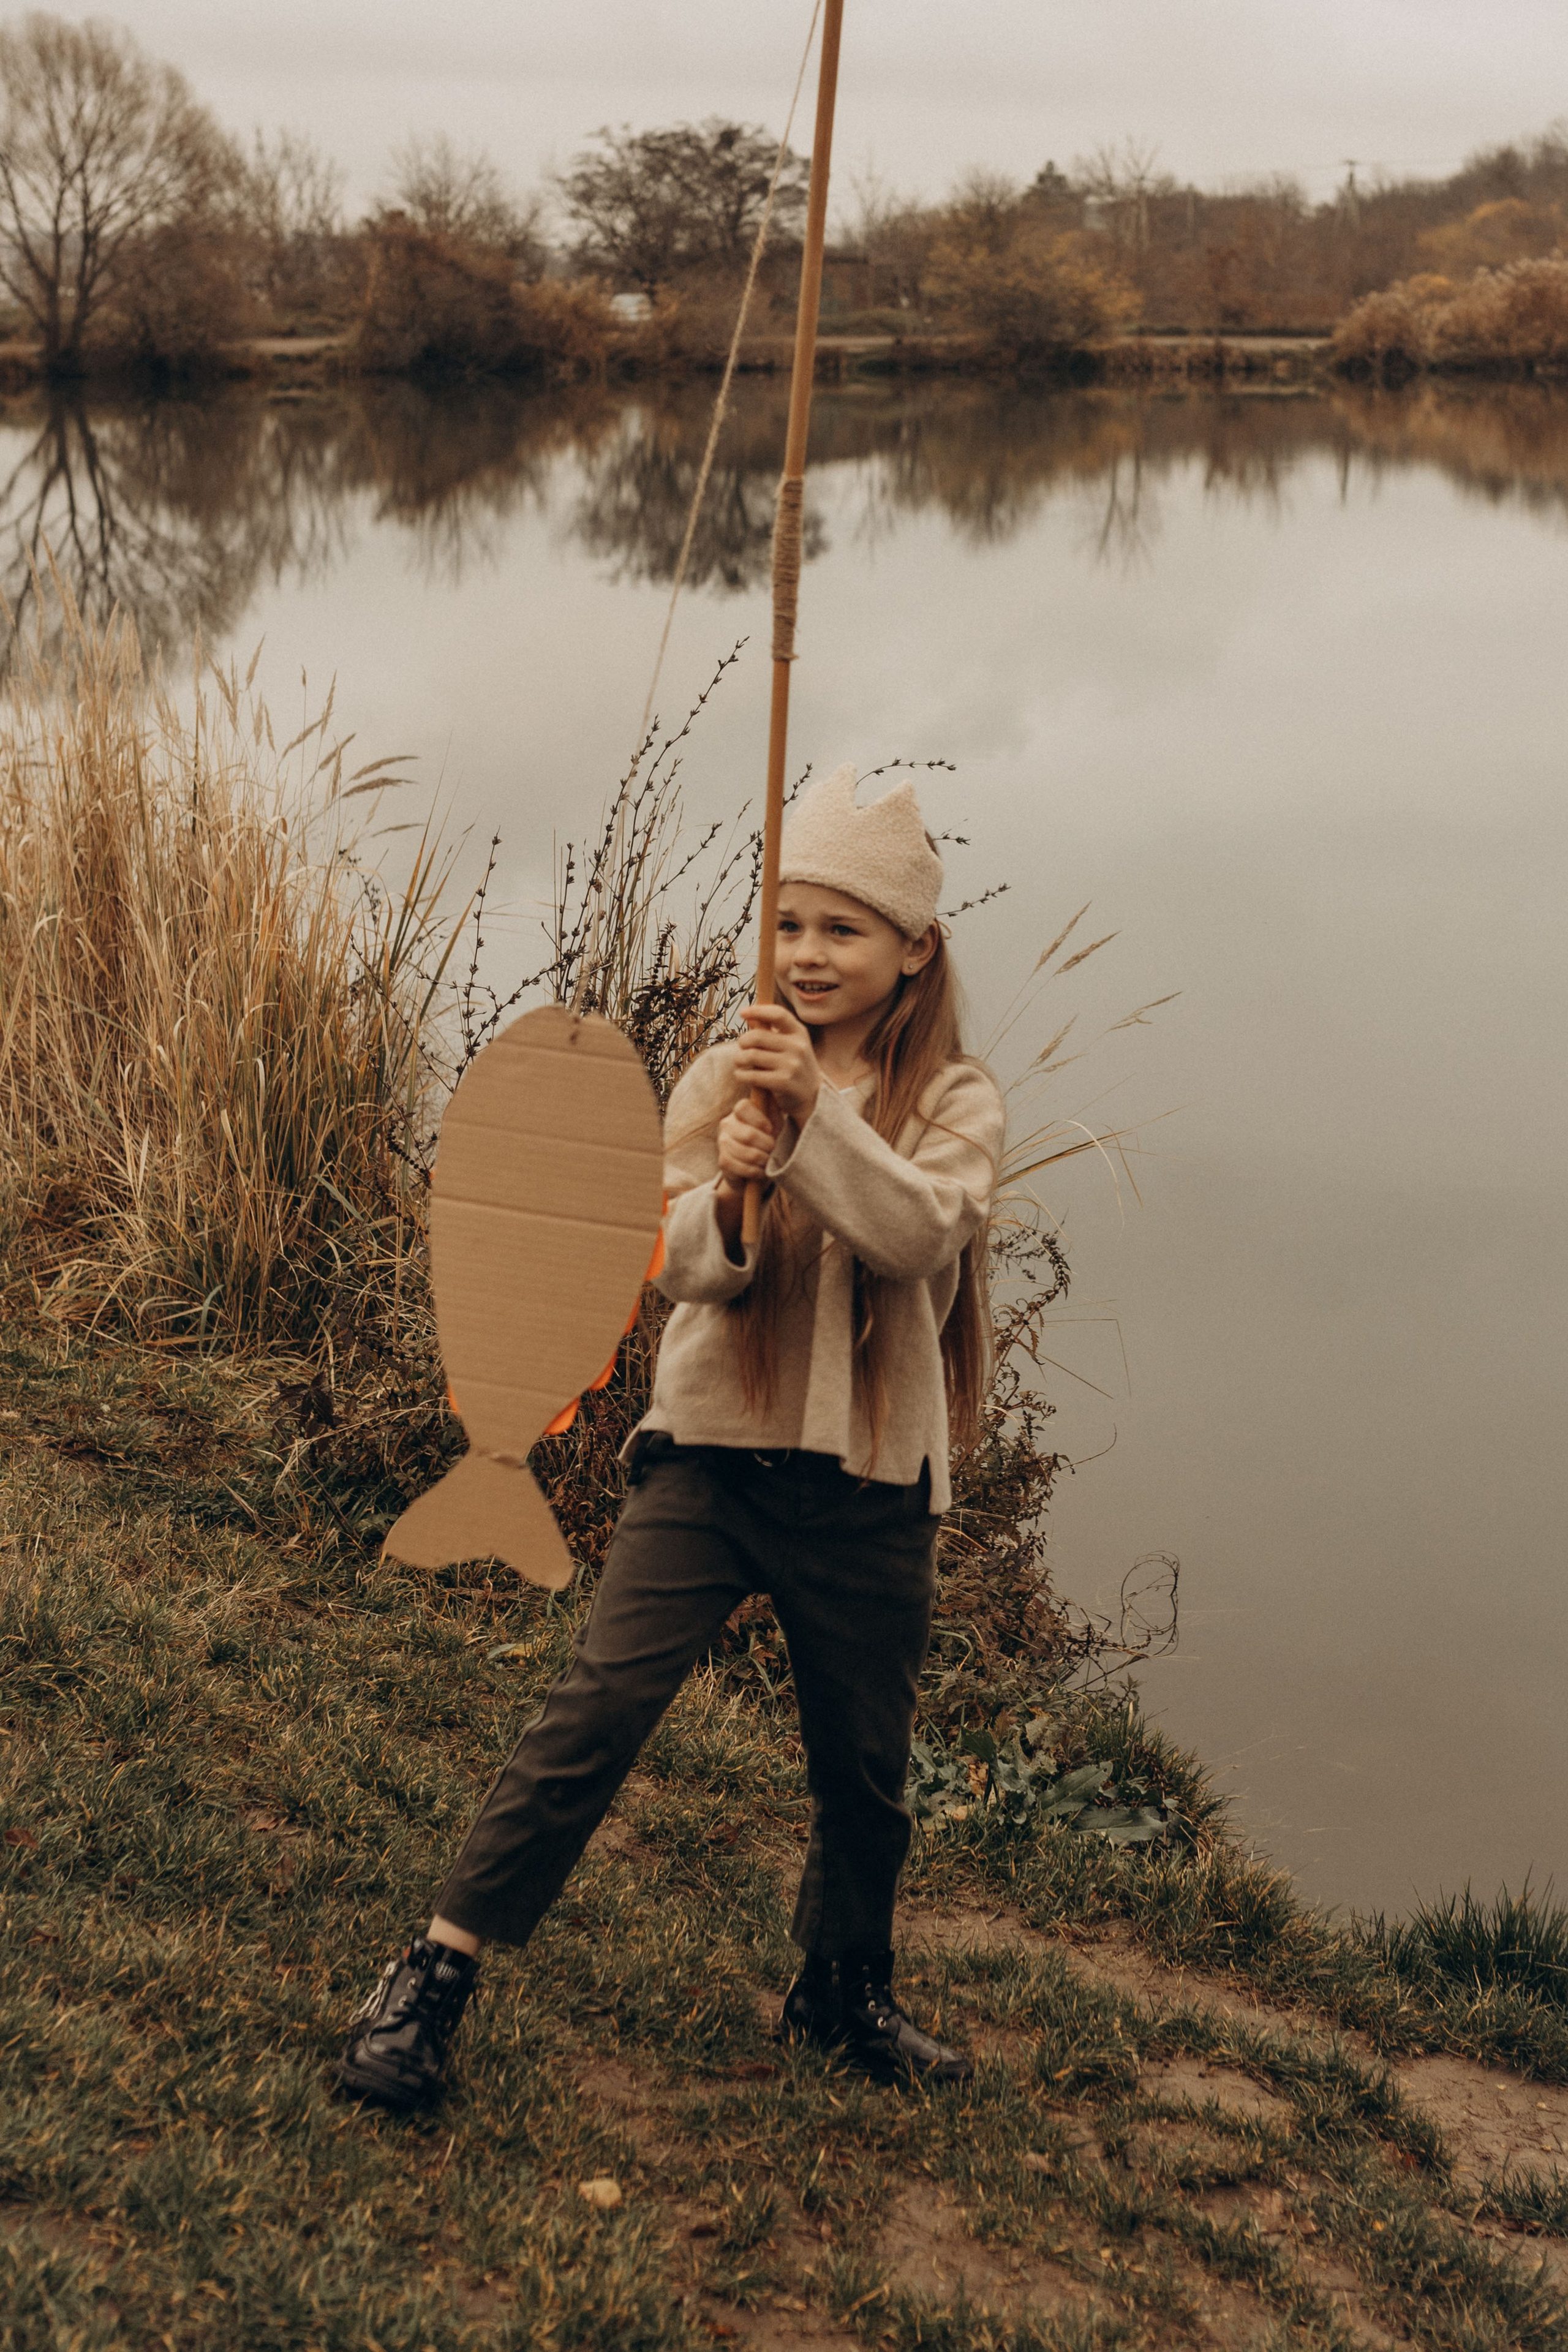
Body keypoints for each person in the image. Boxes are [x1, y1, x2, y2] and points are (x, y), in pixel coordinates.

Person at [337, 767, 1006, 2111]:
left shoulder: (953, 1098)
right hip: (708, 1463)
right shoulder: (724, 1073)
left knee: (863, 1772)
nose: (808, 957)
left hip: (872, 1488)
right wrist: (739, 1184)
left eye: (843, 930)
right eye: (790, 925)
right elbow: (678, 1264)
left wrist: (812, 1130)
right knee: (593, 1711)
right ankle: (435, 1971)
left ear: (913, 949)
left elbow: (918, 1233)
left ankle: (841, 1992)